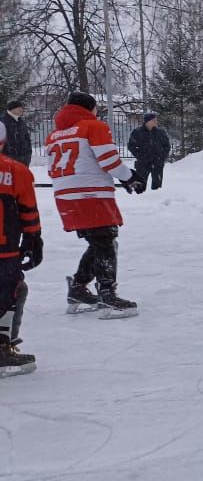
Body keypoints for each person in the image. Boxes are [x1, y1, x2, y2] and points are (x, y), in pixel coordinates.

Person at [48, 91, 147, 320]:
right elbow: (109, 160)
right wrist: (130, 177)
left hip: (65, 194)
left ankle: (78, 288)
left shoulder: (55, 134)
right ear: (90, 108)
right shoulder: (93, 126)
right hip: (90, 193)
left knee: (99, 240)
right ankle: (107, 295)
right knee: (105, 241)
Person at [0, 124, 42, 378]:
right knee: (13, 291)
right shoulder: (15, 171)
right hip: (4, 250)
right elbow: (28, 210)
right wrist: (34, 240)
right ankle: (2, 346)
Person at [127, 113, 171, 190]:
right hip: (143, 163)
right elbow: (131, 146)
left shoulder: (161, 132)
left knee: (157, 187)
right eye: (153, 120)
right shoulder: (137, 132)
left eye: (155, 120)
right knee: (140, 186)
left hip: (157, 163)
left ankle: (156, 199)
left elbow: (167, 146)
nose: (155, 121)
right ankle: (140, 200)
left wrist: (162, 157)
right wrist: (140, 156)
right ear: (147, 121)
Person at [1, 100, 31, 166]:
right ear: (12, 109)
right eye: (19, 108)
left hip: (23, 160)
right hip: (8, 160)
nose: (21, 110)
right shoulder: (3, 122)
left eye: (22, 108)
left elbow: (27, 139)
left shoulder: (21, 121)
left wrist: (28, 154)